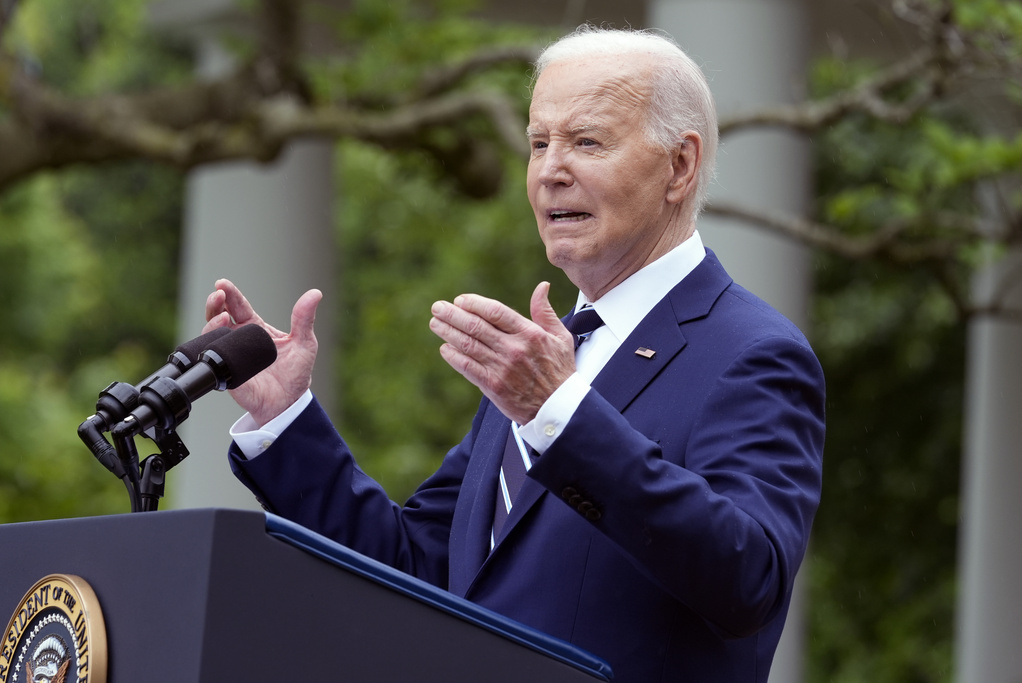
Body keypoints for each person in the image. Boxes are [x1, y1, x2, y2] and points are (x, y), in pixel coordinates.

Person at [204, 26, 825, 683]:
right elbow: (416, 569)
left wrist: (562, 413)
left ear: (680, 165)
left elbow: (748, 575)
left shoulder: (753, 354)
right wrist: (287, 420)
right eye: (538, 143)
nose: (552, 169)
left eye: (587, 141)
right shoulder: (540, 363)